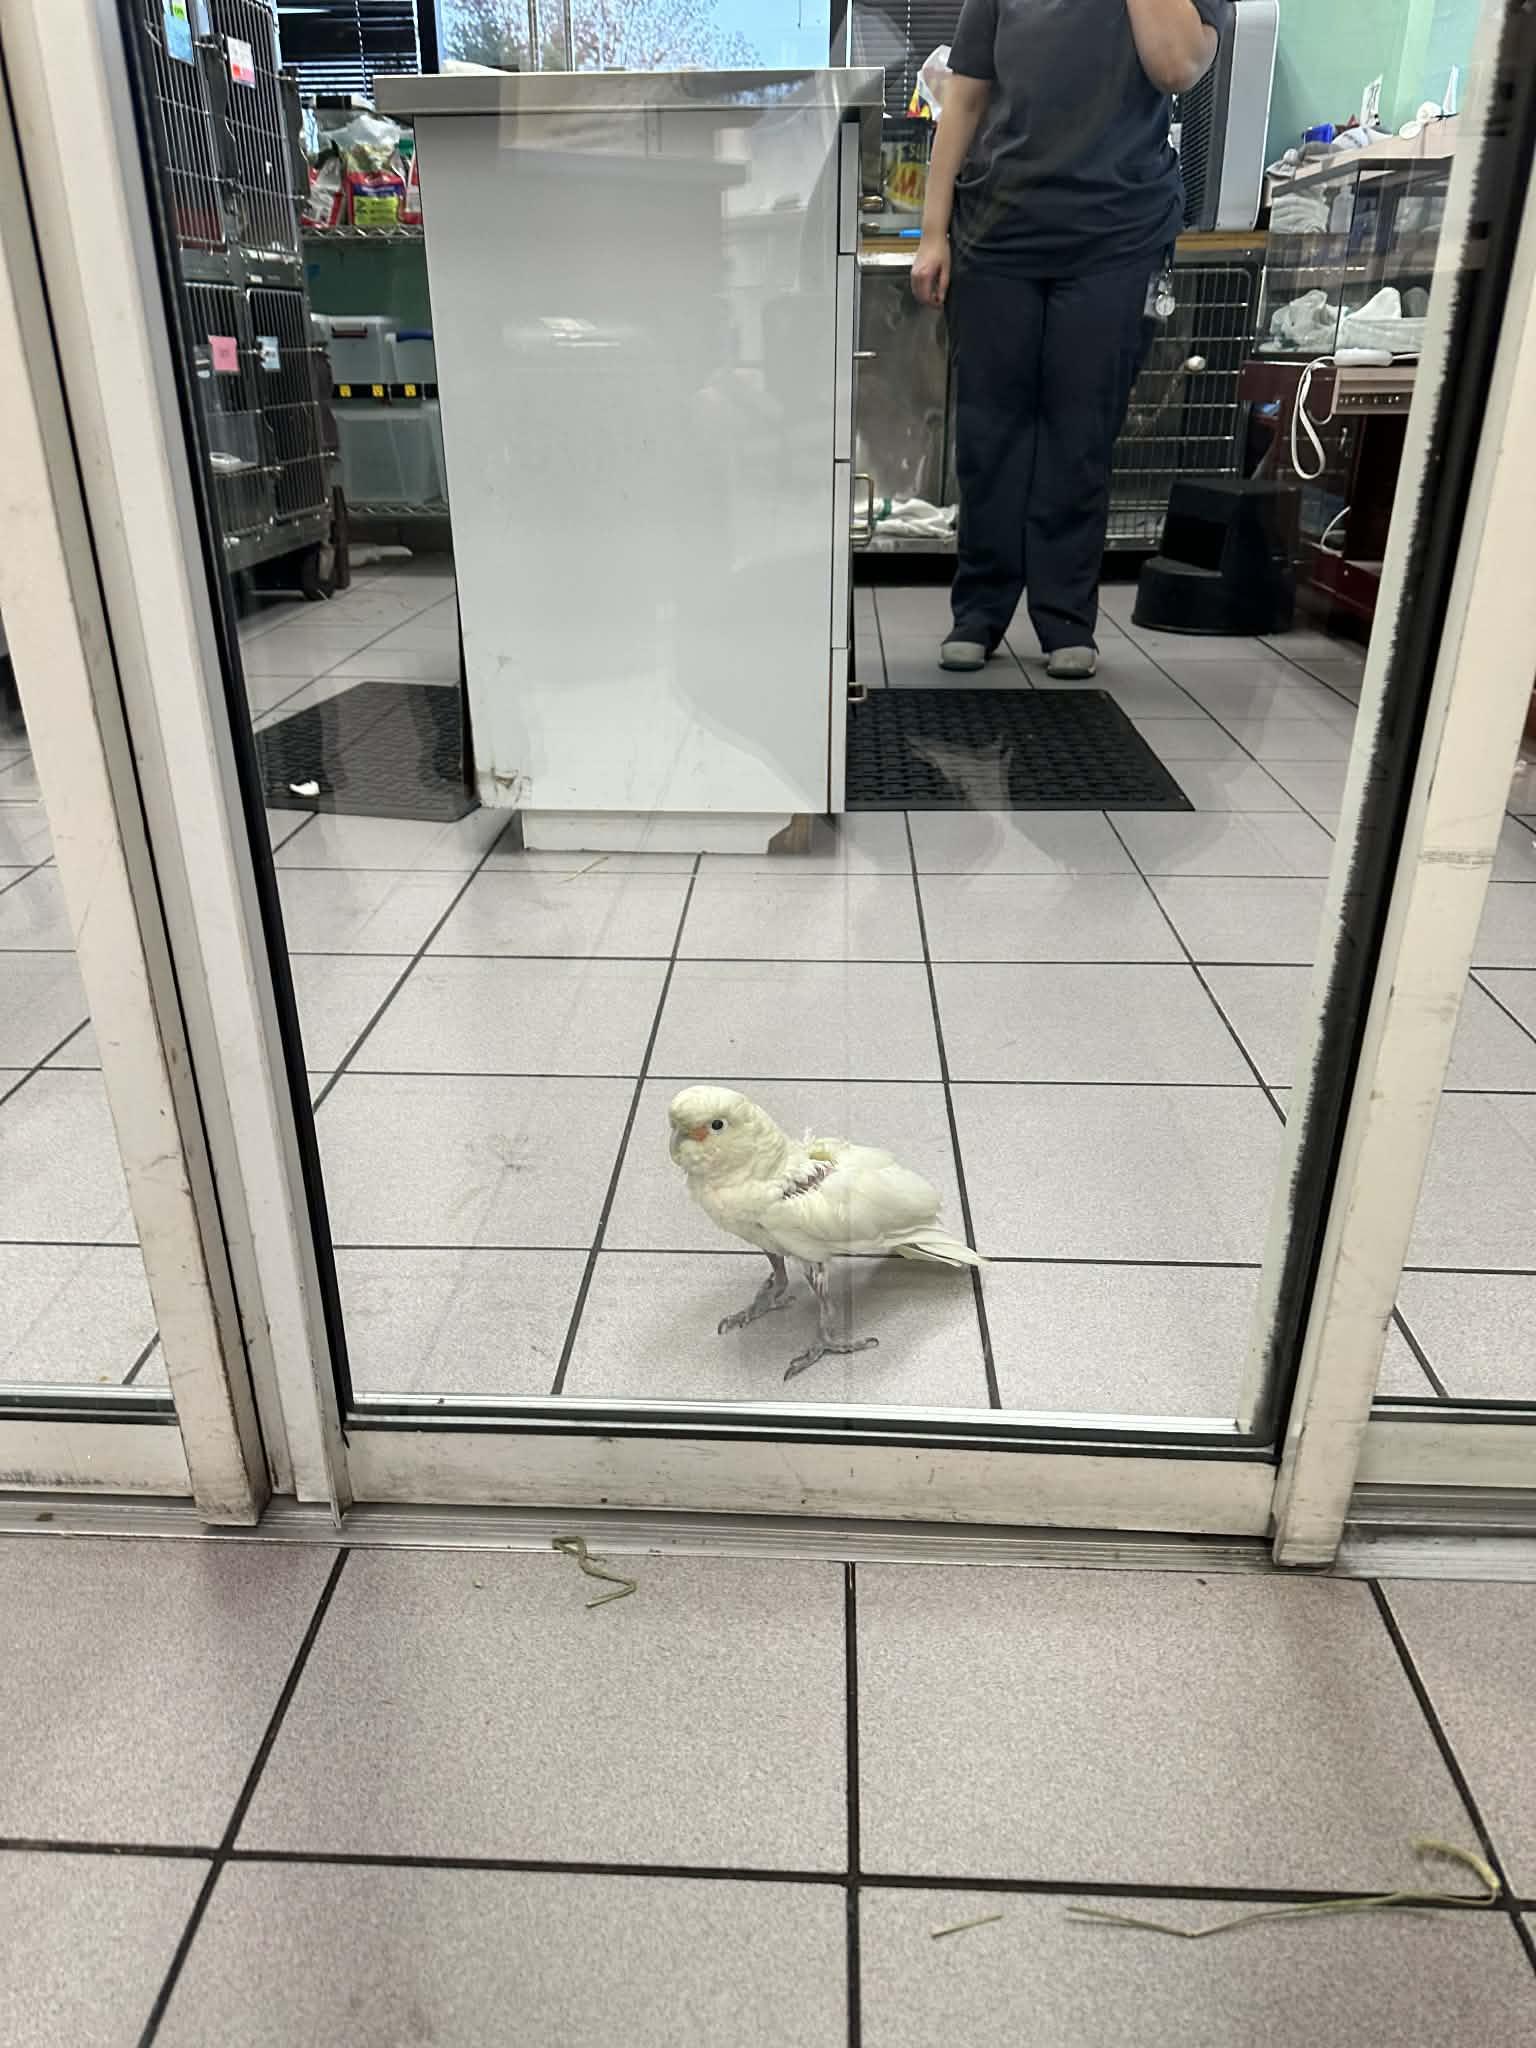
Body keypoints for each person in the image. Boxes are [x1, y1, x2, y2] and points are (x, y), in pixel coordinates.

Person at [912, 0, 1226, 676]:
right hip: (997, 231)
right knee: (989, 432)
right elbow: (964, 100)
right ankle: (979, 610)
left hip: (1117, 234)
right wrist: (932, 234)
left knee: (1078, 433)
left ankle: (1064, 620)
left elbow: (1175, 65)